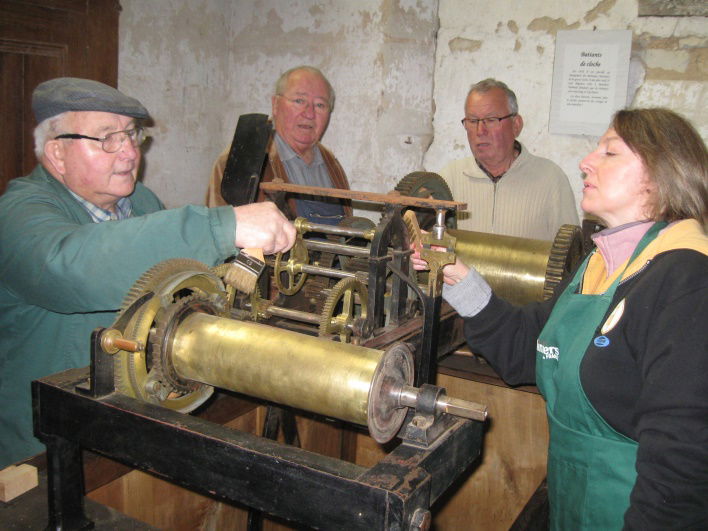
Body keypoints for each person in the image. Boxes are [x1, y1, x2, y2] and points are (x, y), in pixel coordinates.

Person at [414, 108, 708, 529]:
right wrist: (454, 273)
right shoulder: (598, 264)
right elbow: (524, 350)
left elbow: (683, 464)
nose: (586, 161)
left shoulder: (688, 280)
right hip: (573, 506)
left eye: (610, 152)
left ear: (662, 175)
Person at [0, 77, 296, 468]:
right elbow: (70, 269)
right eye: (107, 138)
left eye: (131, 135)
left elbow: (173, 283)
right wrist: (220, 227)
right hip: (44, 448)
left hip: (127, 421)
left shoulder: (139, 200)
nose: (127, 153)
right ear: (56, 152)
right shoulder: (17, 214)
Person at [206, 65, 351, 224]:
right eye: (299, 101)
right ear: (275, 104)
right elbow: (220, 230)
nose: (309, 114)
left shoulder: (333, 166)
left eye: (320, 105)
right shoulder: (242, 160)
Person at [439, 78, 578, 240]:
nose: (480, 131)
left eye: (491, 120)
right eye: (473, 121)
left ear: (516, 125)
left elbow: (571, 254)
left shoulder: (551, 179)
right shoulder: (449, 179)